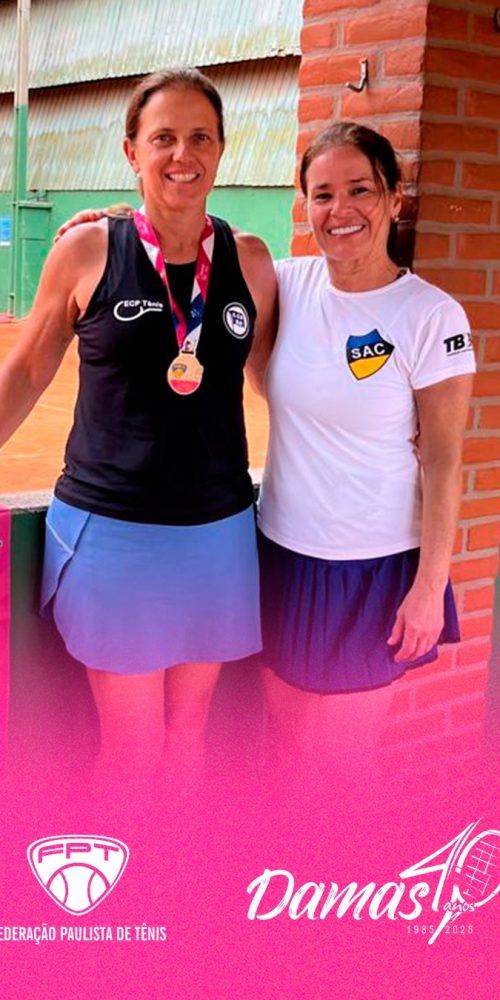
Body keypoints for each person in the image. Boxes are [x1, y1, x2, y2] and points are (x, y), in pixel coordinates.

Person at [0, 68, 277, 781]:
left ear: (221, 150)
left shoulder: (252, 262)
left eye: (200, 138)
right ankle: (128, 863)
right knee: (131, 749)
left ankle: (174, 861)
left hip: (218, 532)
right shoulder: (87, 251)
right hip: (113, 533)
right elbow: (25, 374)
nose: (183, 154)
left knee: (188, 739)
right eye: (163, 138)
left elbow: (285, 381)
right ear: (132, 151)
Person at [256, 122, 475, 766]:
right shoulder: (286, 284)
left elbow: (443, 461)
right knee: (283, 748)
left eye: (360, 190)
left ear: (394, 197)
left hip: (372, 569)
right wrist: (116, 224)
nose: (340, 210)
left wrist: (430, 585)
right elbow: (193, 251)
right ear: (305, 204)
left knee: (340, 767)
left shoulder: (432, 316)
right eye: (322, 194)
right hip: (279, 555)